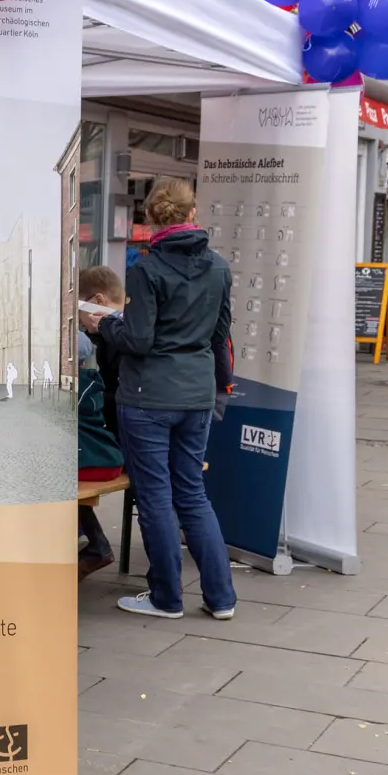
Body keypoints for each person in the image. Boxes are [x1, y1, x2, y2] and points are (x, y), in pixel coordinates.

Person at [81, 176, 236, 621]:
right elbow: (220, 335)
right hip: (196, 394)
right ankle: (222, 597)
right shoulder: (219, 268)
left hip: (148, 396)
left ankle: (167, 597)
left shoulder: (146, 270)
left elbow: (139, 340)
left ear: (150, 219)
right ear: (192, 215)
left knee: (155, 495)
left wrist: (105, 325)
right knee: (192, 493)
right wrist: (219, 388)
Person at [75, 266, 127, 579]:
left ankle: (95, 543)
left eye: (78, 308)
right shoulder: (125, 329)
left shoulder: (115, 334)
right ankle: (93, 541)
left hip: (119, 448)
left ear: (96, 300)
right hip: (122, 445)